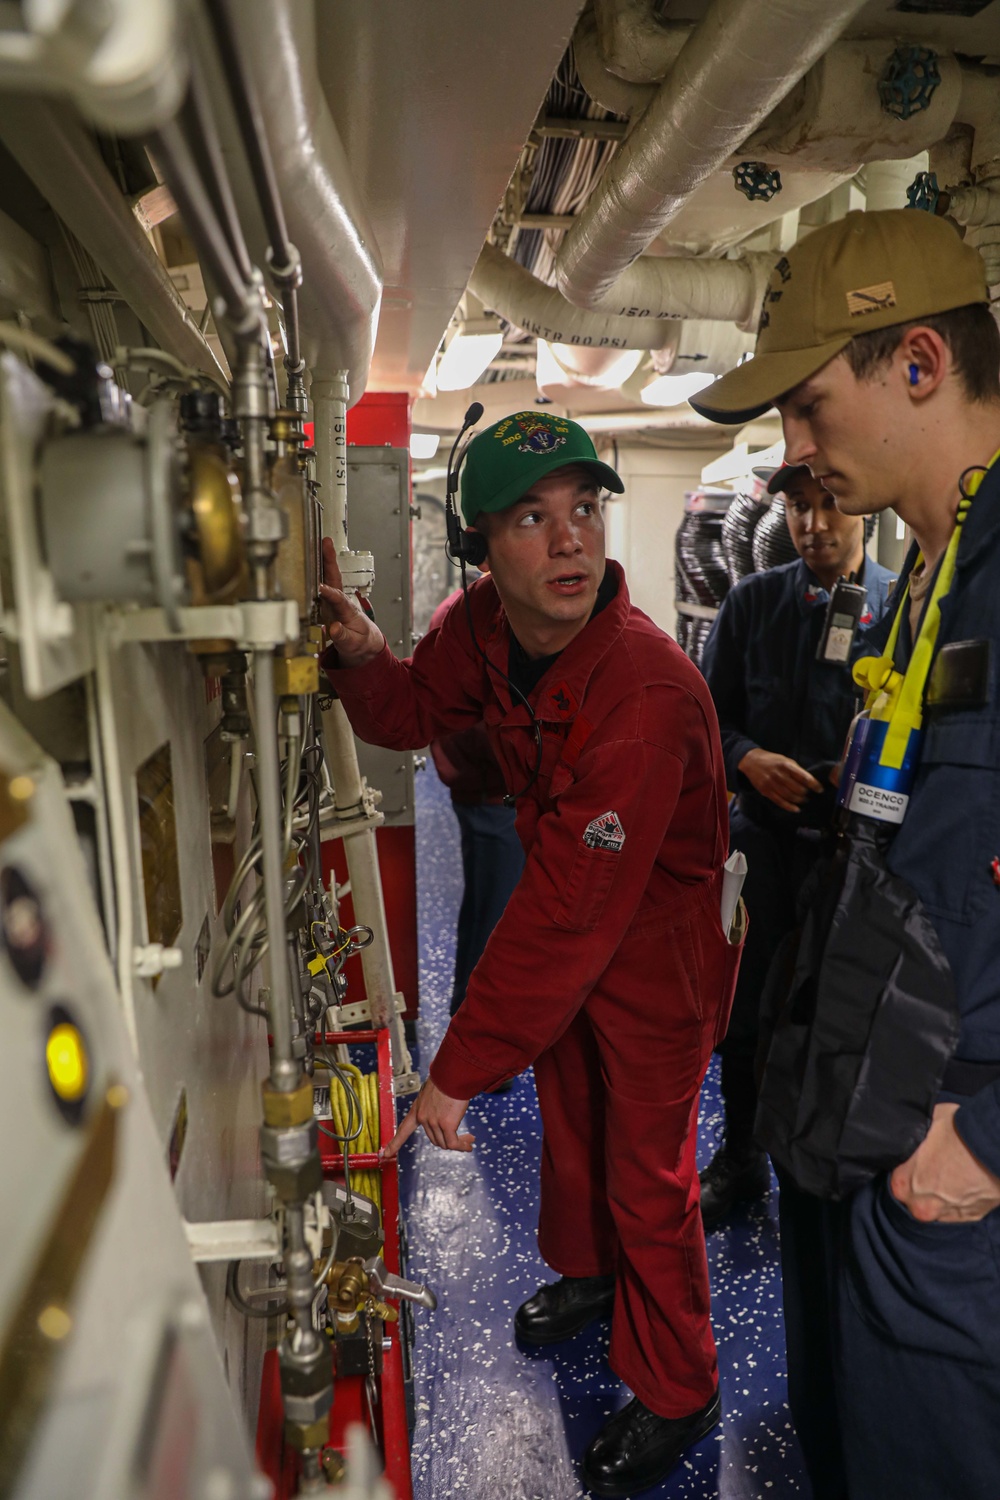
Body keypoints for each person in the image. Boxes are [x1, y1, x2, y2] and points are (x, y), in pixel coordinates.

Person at [318, 411, 742, 1498]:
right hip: (587, 938)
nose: (569, 543)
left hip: (656, 960)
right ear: (479, 550)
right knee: (577, 1135)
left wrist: (457, 1070)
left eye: (584, 512)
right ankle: (598, 1279)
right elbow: (416, 706)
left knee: (648, 1174)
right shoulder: (480, 632)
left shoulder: (640, 693)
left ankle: (679, 1384)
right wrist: (364, 649)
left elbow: (564, 914)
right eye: (532, 519)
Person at [690, 208, 1000, 1500]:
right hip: (862, 1135)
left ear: (918, 364)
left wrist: (985, 1135)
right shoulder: (935, 577)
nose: (794, 449)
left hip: (951, 1182)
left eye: (811, 407)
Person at [699, 465, 896, 1229]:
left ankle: (825, 1165)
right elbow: (705, 723)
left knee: (838, 1015)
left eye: (829, 504)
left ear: (863, 512)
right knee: (746, 1018)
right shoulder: (752, 604)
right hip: (763, 849)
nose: (814, 522)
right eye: (798, 506)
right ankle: (743, 1161)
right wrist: (745, 757)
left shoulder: (894, 611)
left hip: (854, 858)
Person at [428, 591, 524, 1020]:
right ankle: (481, 1043)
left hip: (503, 789)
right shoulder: (468, 616)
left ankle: (477, 1026)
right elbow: (468, 718)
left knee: (493, 912)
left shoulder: (500, 608)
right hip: (495, 792)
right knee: (497, 924)